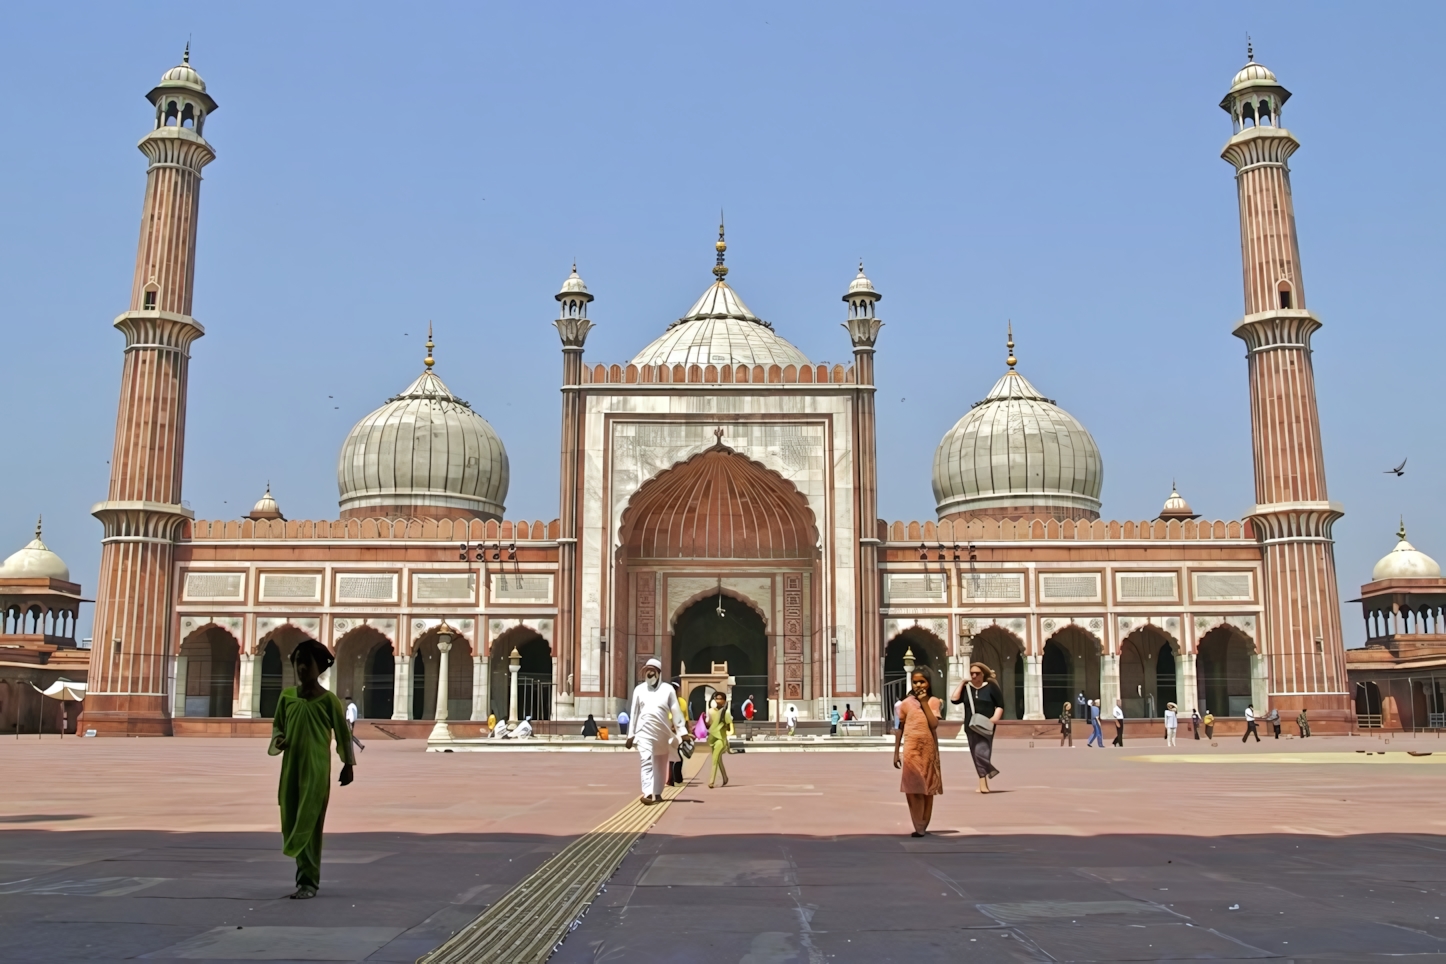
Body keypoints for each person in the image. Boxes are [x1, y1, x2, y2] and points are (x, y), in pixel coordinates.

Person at [268, 640, 355, 900]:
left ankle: (308, 881)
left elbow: (342, 734)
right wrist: (279, 741)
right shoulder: (287, 697)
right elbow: (278, 728)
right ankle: (302, 876)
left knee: (310, 820)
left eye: (308, 663)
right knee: (292, 815)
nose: (303, 668)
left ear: (320, 668)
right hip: (291, 766)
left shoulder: (328, 700)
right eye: (299, 663)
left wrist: (348, 765)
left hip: (316, 768)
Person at [626, 658, 689, 804]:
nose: (649, 673)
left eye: (652, 670)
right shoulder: (639, 690)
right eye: (647, 670)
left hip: (663, 733)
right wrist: (630, 735)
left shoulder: (667, 690)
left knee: (660, 763)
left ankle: (658, 793)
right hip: (644, 732)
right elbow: (634, 713)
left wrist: (683, 732)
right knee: (646, 760)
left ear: (659, 673)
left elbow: (676, 712)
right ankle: (648, 793)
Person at [894, 668, 943, 836]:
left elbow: (933, 724)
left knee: (927, 788)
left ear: (929, 683)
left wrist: (923, 703)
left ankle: (923, 822)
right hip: (911, 749)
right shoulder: (906, 704)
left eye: (922, 681)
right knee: (912, 787)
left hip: (928, 749)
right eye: (915, 682)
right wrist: (896, 752)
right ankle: (918, 825)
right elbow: (900, 728)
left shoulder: (934, 702)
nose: (918, 685)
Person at [951, 662, 1004, 792]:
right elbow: (954, 699)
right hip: (971, 725)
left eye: (977, 673)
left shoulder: (991, 687)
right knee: (975, 753)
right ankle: (984, 778)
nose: (974, 676)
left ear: (983, 674)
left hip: (986, 725)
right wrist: (962, 682)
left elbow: (1000, 704)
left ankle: (983, 781)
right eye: (972, 673)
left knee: (983, 751)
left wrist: (994, 719)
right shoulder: (967, 688)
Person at [706, 691, 734, 789]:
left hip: (721, 740)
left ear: (725, 701)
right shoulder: (710, 711)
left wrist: (728, 731)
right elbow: (709, 723)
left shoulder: (725, 712)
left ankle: (711, 781)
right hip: (712, 738)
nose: (718, 700)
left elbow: (730, 727)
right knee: (718, 760)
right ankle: (725, 778)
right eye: (716, 698)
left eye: (720, 699)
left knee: (714, 759)